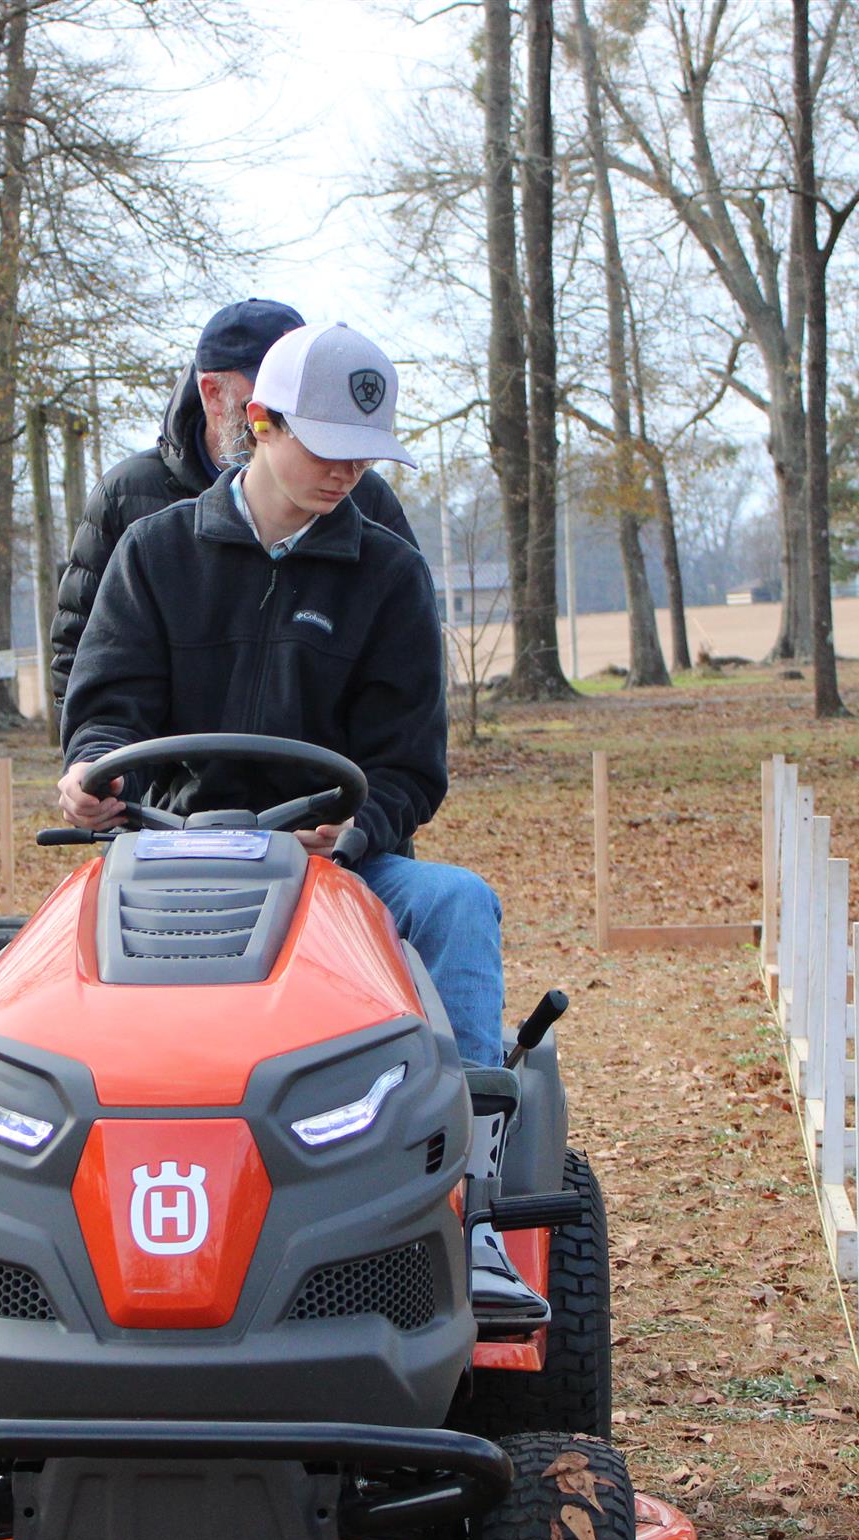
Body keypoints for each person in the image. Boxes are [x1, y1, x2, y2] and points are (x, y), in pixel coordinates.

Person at [55, 321, 544, 1330]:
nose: (346, 471)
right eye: (326, 445)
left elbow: (408, 767)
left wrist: (356, 829)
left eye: (363, 452)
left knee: (457, 903)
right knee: (46, 966)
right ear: (261, 424)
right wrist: (95, 775)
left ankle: (474, 1214)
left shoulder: (387, 575)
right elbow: (106, 712)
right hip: (172, 862)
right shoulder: (156, 554)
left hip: (339, 867)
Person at [46, 299, 416, 714]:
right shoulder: (133, 505)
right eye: (266, 383)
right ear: (215, 394)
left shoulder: (365, 502)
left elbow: (404, 678)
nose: (344, 473)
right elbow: (86, 661)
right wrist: (94, 743)